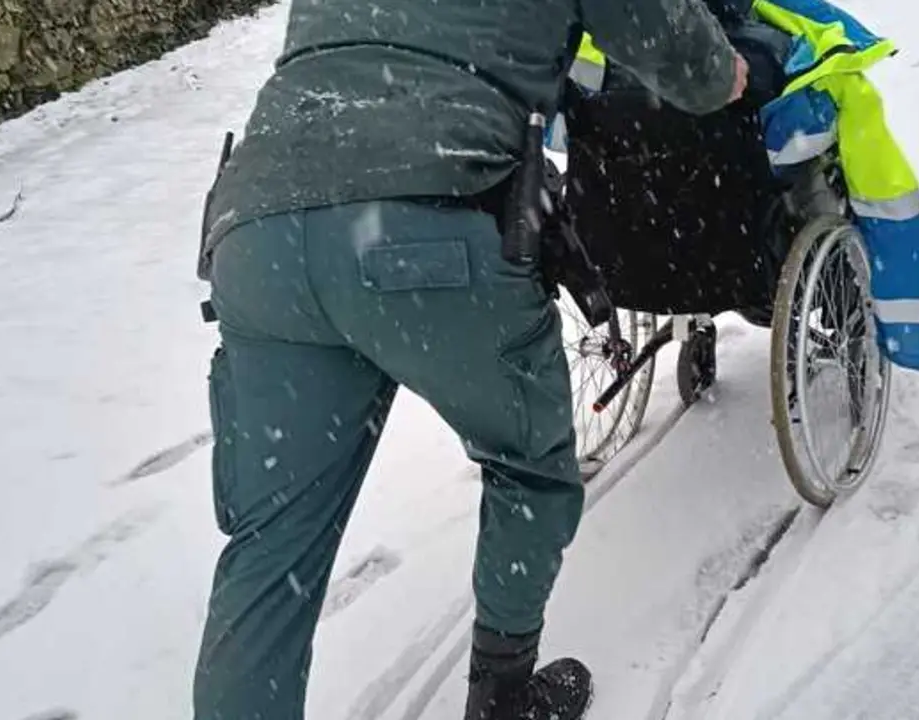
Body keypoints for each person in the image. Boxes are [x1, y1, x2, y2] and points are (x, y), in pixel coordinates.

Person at [190, 0, 751, 717]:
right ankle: (503, 698)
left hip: (258, 235)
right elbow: (660, 33)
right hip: (424, 225)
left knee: (272, 545)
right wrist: (717, 72)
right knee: (528, 465)